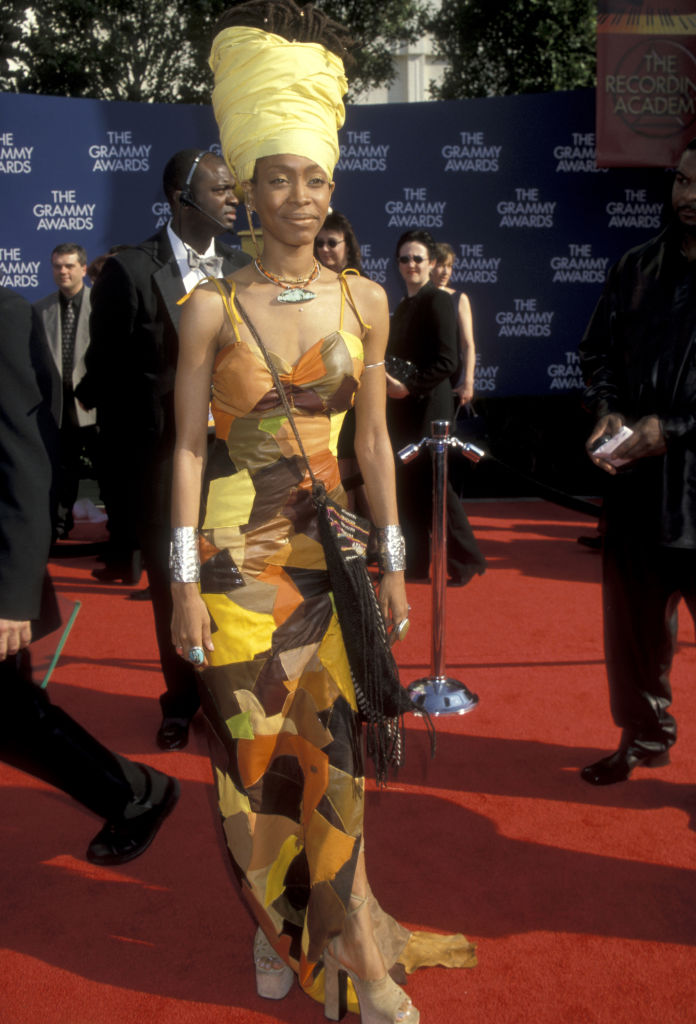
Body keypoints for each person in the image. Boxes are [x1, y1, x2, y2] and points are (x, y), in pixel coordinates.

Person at [170, 3, 475, 1021]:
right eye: (277, 179)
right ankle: (285, 929)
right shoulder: (210, 308)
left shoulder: (365, 302)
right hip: (234, 562)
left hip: (330, 560)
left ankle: (355, 954)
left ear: (332, 189)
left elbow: (375, 444)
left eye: (314, 180)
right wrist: (182, 582)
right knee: (255, 765)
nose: (298, 198)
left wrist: (393, 560)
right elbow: (186, 448)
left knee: (334, 760)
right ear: (244, 188)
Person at [77, 149, 251, 752]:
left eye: (234, 189)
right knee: (175, 587)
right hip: (160, 464)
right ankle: (181, 700)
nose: (234, 199)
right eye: (221, 189)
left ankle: (231, 698)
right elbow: (104, 371)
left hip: (235, 461)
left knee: (233, 586)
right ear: (181, 197)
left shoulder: (244, 265)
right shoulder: (130, 270)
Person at [0, 286, 179, 865]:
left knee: (12, 715)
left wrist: (13, 596)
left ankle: (134, 793)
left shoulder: (4, 315)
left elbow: (25, 459)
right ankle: (136, 792)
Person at [578, 139, 696, 786]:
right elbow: (596, 352)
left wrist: (671, 429)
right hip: (635, 491)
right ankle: (645, 736)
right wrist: (608, 410)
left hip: (694, 487)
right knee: (632, 632)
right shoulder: (635, 266)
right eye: (682, 181)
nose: (689, 196)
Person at [386, 229, 486, 586]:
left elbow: (447, 361)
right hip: (405, 407)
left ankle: (466, 561)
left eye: (418, 258)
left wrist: (408, 386)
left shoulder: (438, 300)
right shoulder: (405, 304)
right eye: (404, 258)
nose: (411, 264)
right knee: (409, 485)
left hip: (432, 407)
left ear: (431, 263)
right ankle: (414, 564)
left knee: (435, 488)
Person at [33, 243, 98, 541]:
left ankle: (120, 534)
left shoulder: (101, 304)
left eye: (69, 266)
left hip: (96, 405)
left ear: (83, 269)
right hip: (58, 406)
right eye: (58, 266)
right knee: (61, 471)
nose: (63, 271)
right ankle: (59, 528)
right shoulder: (40, 310)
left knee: (108, 471)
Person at [431, 241, 476, 407]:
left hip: (453, 379)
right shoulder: (415, 299)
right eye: (440, 265)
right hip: (424, 379)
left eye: (449, 266)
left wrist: (468, 382)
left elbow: (468, 344)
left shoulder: (459, 299)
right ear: (429, 266)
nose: (445, 272)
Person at [315, 209, 363, 274]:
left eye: (332, 243)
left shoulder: (358, 278)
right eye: (320, 243)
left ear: (348, 246)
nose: (324, 249)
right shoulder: (314, 277)